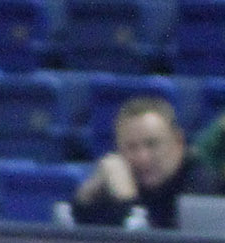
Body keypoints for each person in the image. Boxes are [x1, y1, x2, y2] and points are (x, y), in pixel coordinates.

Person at [71, 96, 219, 228]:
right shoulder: (120, 179)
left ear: (178, 142)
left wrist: (127, 201)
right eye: (131, 147)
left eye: (152, 144)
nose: (142, 157)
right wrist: (88, 195)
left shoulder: (204, 186)